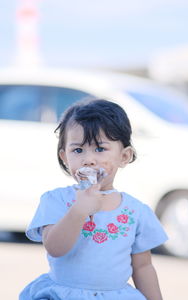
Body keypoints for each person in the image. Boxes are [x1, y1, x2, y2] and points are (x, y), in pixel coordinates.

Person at [19, 98, 168, 300]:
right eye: (78, 150)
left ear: (124, 156)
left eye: (100, 149)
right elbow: (55, 248)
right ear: (64, 156)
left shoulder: (136, 211)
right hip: (63, 294)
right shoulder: (56, 200)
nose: (88, 159)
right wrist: (79, 211)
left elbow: (143, 267)